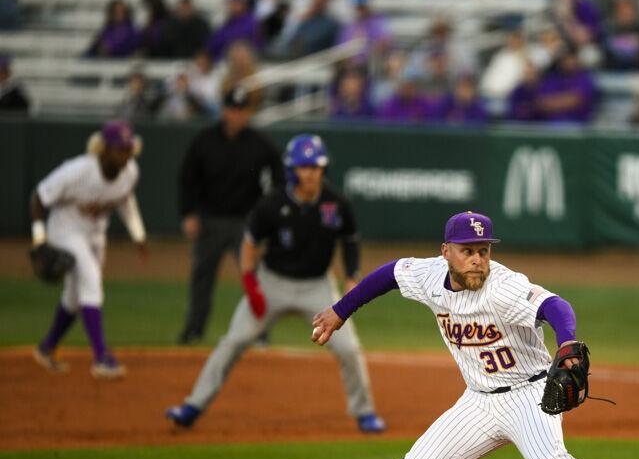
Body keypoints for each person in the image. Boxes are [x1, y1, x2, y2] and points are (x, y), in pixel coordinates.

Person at [312, 211, 639, 459]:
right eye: (467, 250)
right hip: (477, 403)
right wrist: (340, 311)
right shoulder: (428, 275)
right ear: (445, 252)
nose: (477, 259)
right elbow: (389, 274)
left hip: (528, 396)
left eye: (483, 250)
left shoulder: (504, 287)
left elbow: (556, 306)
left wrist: (566, 344)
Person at [166, 134, 384, 433]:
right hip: (273, 283)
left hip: (317, 287)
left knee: (348, 349)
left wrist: (351, 277)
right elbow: (249, 244)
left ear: (323, 168)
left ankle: (364, 412)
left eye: (314, 166)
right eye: (303, 167)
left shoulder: (336, 203)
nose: (309, 173)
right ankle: (192, 406)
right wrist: (250, 283)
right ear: (292, 170)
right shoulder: (272, 203)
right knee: (234, 341)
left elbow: (350, 242)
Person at [30, 120, 147, 379]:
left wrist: (138, 235)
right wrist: (39, 239)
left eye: (128, 149)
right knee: (91, 281)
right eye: (119, 149)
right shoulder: (78, 170)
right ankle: (102, 357)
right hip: (65, 231)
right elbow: (38, 197)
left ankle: (46, 348)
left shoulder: (130, 172)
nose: (125, 154)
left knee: (75, 297)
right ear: (103, 149)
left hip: (95, 235)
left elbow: (125, 200)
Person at [176, 86, 284, 345]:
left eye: (241, 110)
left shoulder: (259, 142)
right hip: (210, 220)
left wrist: (267, 215)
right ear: (224, 110)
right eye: (232, 109)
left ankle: (261, 333)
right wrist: (188, 213)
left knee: (254, 279)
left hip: (247, 223)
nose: (236, 115)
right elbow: (187, 178)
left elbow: (280, 176)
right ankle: (194, 330)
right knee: (202, 278)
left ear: (247, 113)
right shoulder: (205, 139)